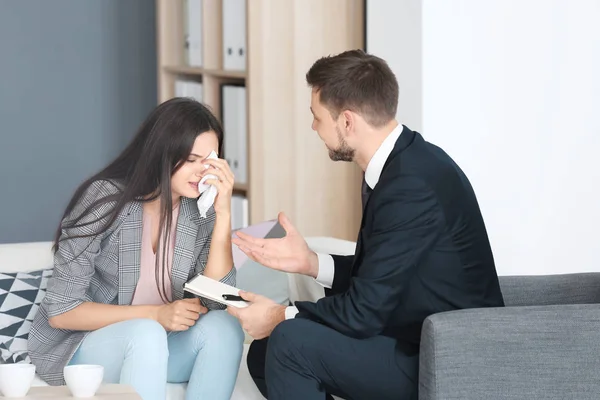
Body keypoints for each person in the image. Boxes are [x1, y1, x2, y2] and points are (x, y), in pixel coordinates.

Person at [227, 50, 505, 400]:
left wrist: (281, 315)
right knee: (263, 355)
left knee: (288, 342)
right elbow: (378, 278)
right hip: (413, 334)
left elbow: (363, 311)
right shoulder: (402, 163)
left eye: (316, 117)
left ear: (347, 121)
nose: (313, 127)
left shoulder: (410, 185)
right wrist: (310, 263)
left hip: (447, 356)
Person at [28, 98, 245, 400]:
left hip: (160, 345)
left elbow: (218, 301)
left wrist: (223, 214)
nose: (201, 172)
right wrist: (156, 315)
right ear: (161, 153)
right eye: (191, 160)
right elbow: (62, 312)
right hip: (84, 347)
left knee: (225, 328)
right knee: (147, 332)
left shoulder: (200, 210)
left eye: (209, 161)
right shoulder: (106, 198)